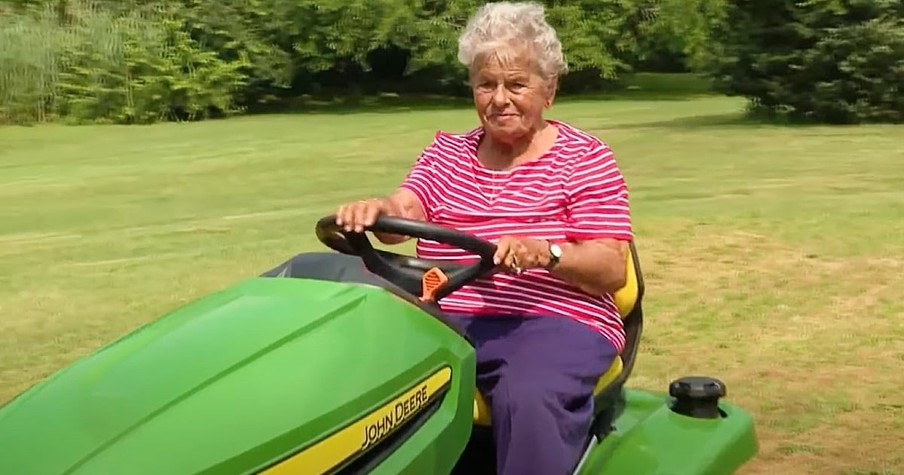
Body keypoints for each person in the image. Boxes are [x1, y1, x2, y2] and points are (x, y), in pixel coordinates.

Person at [334, 2, 633, 473]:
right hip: (445, 316)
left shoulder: (584, 158)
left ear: (549, 89)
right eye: (485, 84)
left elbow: (610, 269)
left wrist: (546, 252)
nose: (499, 99)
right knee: (351, 371)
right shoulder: (446, 153)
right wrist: (378, 211)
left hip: (554, 320)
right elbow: (405, 209)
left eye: (516, 84)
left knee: (529, 392)